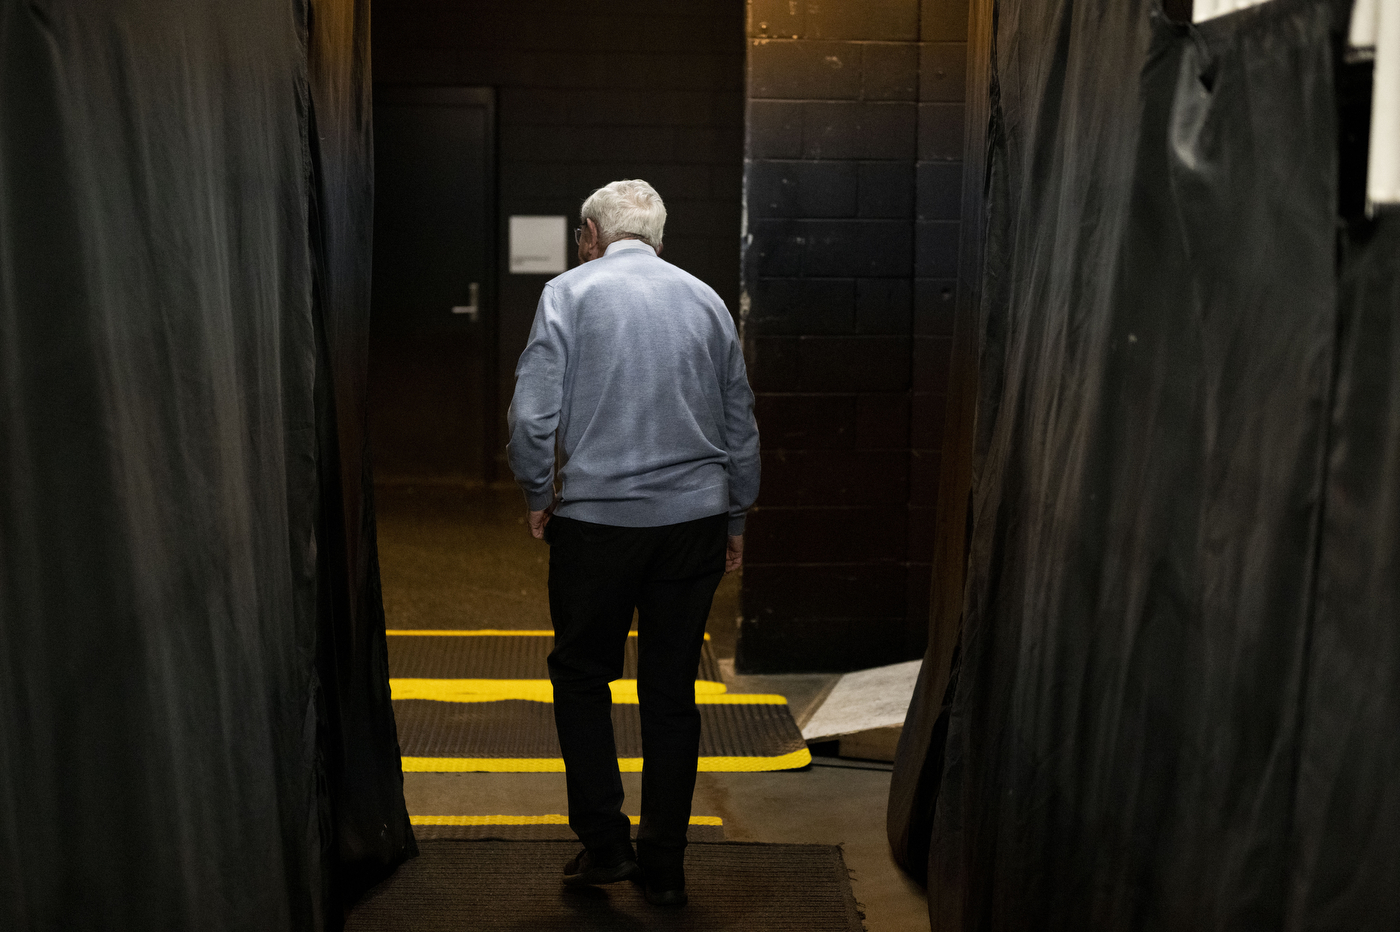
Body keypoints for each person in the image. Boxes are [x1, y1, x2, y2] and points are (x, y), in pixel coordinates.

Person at [506, 179, 760, 907]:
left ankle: (605, 844)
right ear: (659, 237)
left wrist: (536, 493)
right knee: (671, 688)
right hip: (694, 526)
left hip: (597, 524)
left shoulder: (569, 294)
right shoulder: (707, 300)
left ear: (590, 234)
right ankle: (667, 861)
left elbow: (532, 418)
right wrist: (736, 514)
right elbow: (740, 419)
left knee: (584, 677)